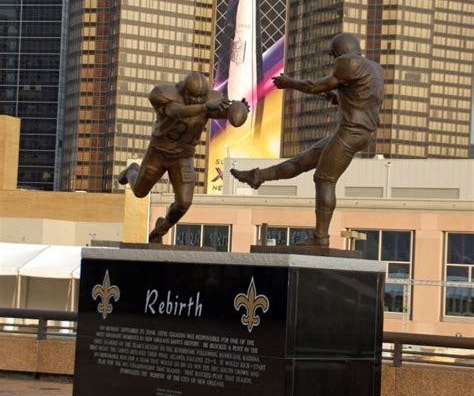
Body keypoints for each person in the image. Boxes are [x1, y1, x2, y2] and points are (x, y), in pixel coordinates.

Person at [231, 32, 384, 248]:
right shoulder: (376, 69)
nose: (334, 61)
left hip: (351, 131)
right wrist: (336, 98)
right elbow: (363, 99)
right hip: (361, 132)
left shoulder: (347, 62)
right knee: (302, 161)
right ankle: (257, 176)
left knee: (324, 179)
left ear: (339, 52)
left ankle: (320, 238)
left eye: (333, 56)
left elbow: (314, 86)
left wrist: (288, 82)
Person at [118, 72, 247, 243]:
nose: (197, 99)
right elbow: (176, 112)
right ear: (184, 91)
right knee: (140, 192)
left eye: (201, 96)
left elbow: (227, 113)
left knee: (184, 203)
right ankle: (132, 170)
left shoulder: (210, 102)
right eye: (194, 95)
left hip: (183, 156)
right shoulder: (167, 96)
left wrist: (239, 108)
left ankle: (160, 231)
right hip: (159, 152)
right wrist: (205, 107)